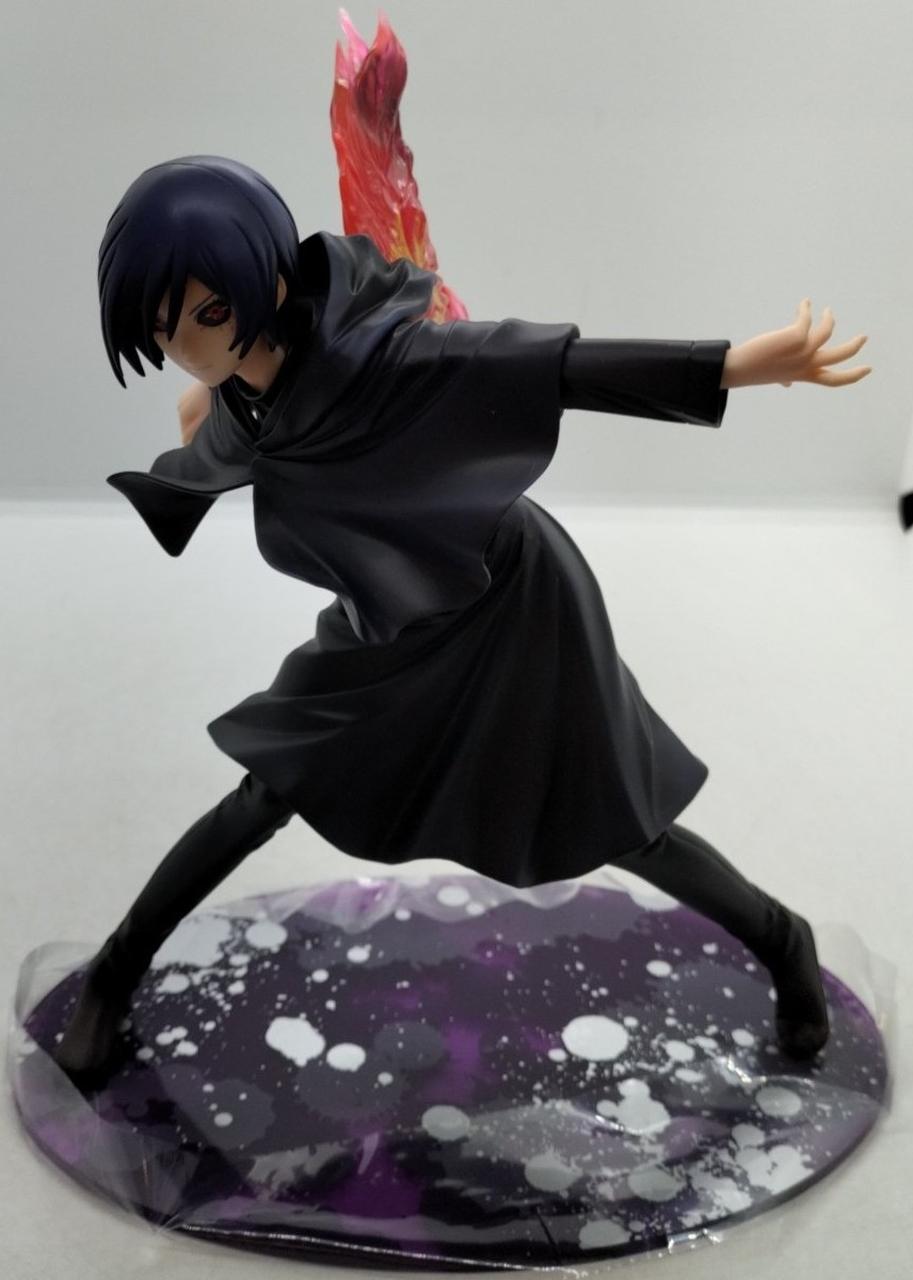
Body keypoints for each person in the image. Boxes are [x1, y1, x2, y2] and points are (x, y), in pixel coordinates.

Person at [52, 155, 870, 1089]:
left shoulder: (389, 362)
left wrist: (731, 367)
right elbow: (226, 425)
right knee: (266, 786)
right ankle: (114, 972)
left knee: (614, 818)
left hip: (510, 602)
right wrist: (202, 420)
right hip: (388, 620)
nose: (188, 349)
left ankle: (782, 939)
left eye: (207, 315)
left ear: (268, 282)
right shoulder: (239, 390)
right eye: (164, 329)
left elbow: (551, 367)